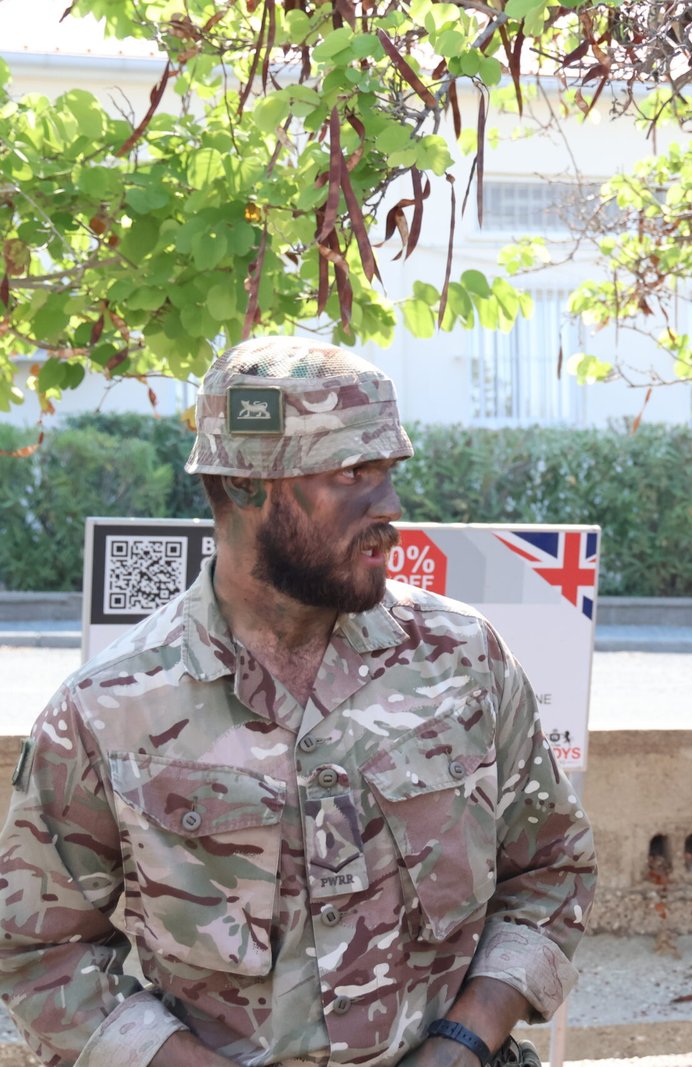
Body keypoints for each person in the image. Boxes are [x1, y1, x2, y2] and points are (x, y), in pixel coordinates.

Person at [0, 337, 596, 1067]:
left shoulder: (465, 661)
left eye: (389, 470)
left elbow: (551, 871)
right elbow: (41, 950)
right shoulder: (108, 711)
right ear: (246, 487)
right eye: (352, 472)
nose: (391, 506)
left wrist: (464, 1041)